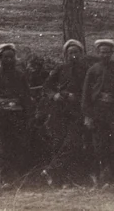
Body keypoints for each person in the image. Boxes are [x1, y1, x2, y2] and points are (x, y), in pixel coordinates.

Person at [83, 38, 114, 188]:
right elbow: (86, 94)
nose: (105, 55)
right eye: (102, 52)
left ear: (112, 53)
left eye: (108, 52)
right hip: (98, 112)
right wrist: (88, 115)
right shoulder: (93, 70)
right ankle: (105, 178)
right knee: (100, 145)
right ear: (98, 53)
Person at [43, 39, 89, 187]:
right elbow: (47, 86)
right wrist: (54, 95)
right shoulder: (61, 68)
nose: (73, 55)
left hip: (78, 111)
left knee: (72, 142)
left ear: (81, 54)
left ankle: (52, 169)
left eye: (76, 52)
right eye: (70, 53)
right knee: (59, 142)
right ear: (65, 55)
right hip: (60, 110)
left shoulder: (87, 70)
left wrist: (77, 97)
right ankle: (59, 179)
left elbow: (90, 91)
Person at [0, 43, 31, 183]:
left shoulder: (20, 76)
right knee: (3, 147)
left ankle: (19, 177)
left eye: (11, 57)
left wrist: (29, 116)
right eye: (5, 57)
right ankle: (5, 177)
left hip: (18, 116)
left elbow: (26, 98)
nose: (9, 60)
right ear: (0, 59)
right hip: (1, 116)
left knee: (19, 145)